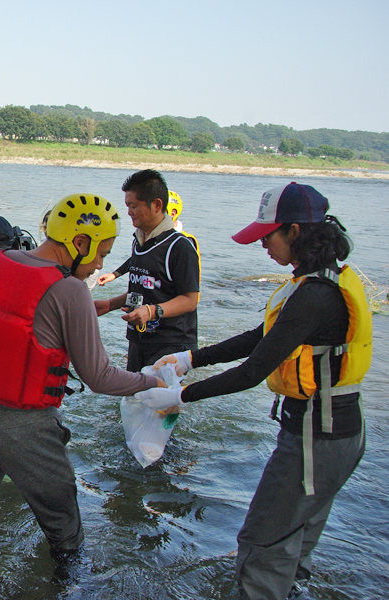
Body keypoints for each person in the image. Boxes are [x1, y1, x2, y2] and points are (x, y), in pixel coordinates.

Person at [135, 182, 370, 600]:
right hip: (333, 432)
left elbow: (254, 370)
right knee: (294, 541)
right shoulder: (316, 282)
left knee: (263, 542)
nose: (263, 245)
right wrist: (192, 358)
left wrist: (179, 397)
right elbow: (260, 336)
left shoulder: (316, 295)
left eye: (268, 235)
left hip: (317, 436)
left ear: (295, 231)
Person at [0, 193, 163, 556]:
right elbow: (99, 377)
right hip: (28, 431)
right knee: (66, 537)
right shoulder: (71, 290)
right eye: (102, 253)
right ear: (79, 242)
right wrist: (151, 382)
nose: (100, 264)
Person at [94, 171, 200, 372]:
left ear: (157, 205)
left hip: (171, 343)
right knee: (135, 399)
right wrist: (109, 305)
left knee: (160, 401)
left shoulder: (180, 247)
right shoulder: (139, 240)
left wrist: (152, 311)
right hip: (139, 338)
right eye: (127, 206)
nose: (129, 212)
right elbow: (144, 288)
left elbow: (190, 299)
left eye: (134, 206)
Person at [97, 189, 199, 285]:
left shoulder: (184, 242)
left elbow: (190, 286)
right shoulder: (143, 235)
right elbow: (138, 259)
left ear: (172, 213)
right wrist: (115, 274)